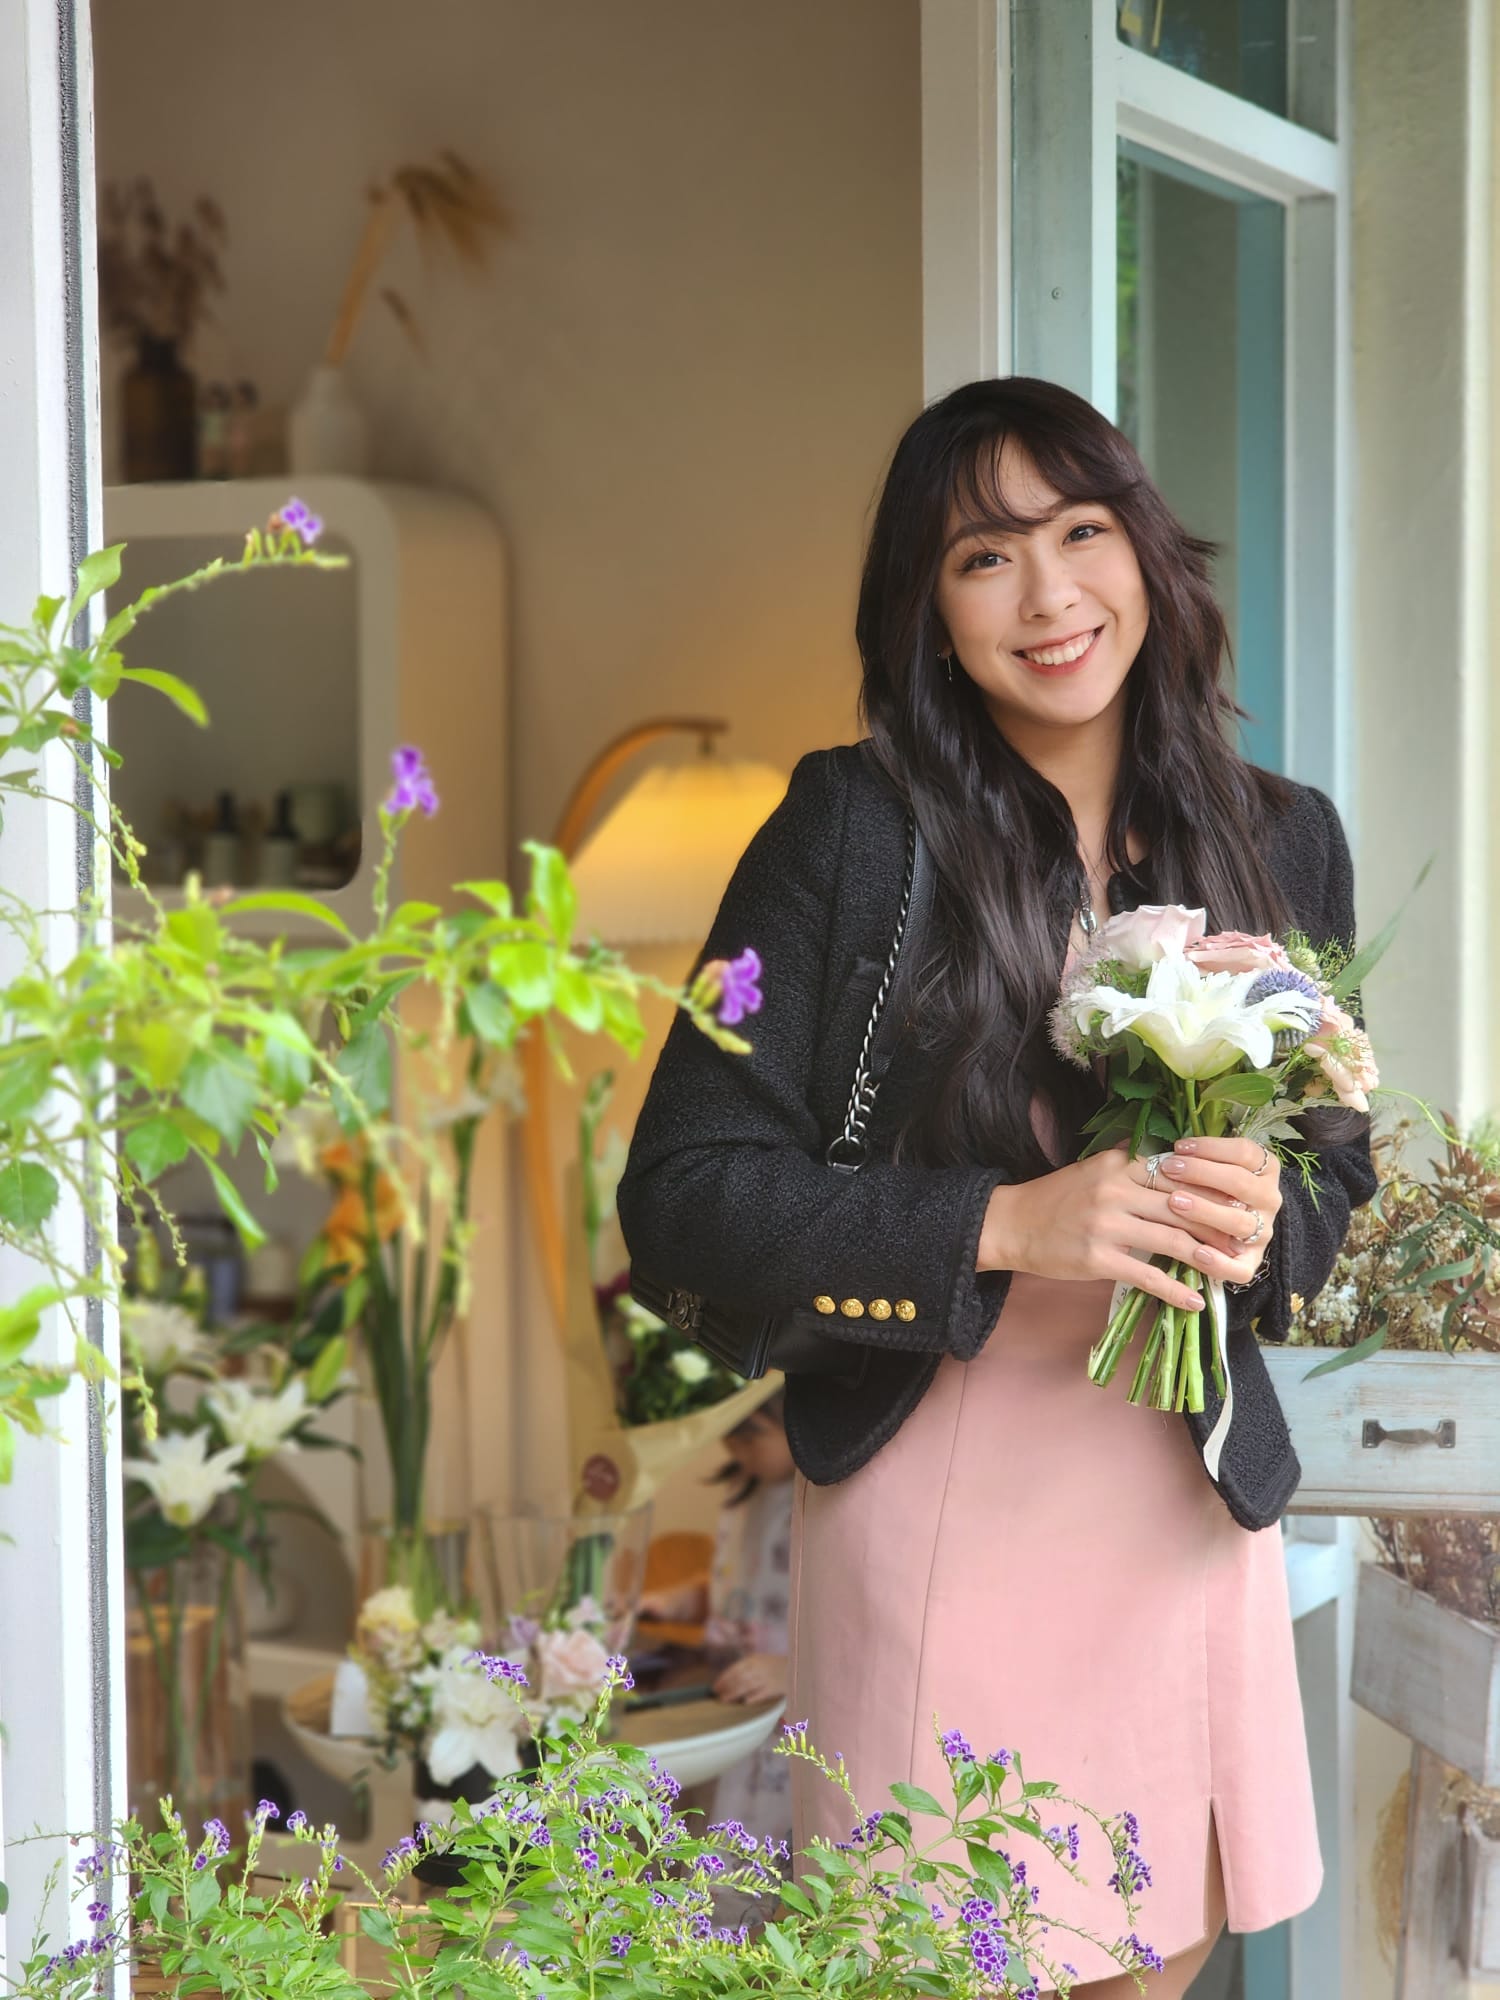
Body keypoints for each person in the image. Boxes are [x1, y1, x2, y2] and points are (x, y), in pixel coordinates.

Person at [618, 377, 1375, 1998]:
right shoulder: (849, 836)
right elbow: (683, 1190)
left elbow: (1332, 1174)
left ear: (1148, 558)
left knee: (1148, 1958)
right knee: (941, 1956)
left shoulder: (1282, 840)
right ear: (926, 609)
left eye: (1082, 533)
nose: (1049, 596)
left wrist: (1264, 1217)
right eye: (985, 556)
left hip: (1176, 1505)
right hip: (944, 1495)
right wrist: (999, 1223)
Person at [638, 1392, 795, 1867]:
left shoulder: (817, 1506)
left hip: (784, 1711)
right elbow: (731, 1583)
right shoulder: (744, 1491)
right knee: (716, 1839)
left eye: (752, 1437)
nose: (737, 1452)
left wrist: (794, 1669)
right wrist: (681, 1599)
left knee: (764, 1853)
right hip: (734, 1702)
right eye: (730, 1439)